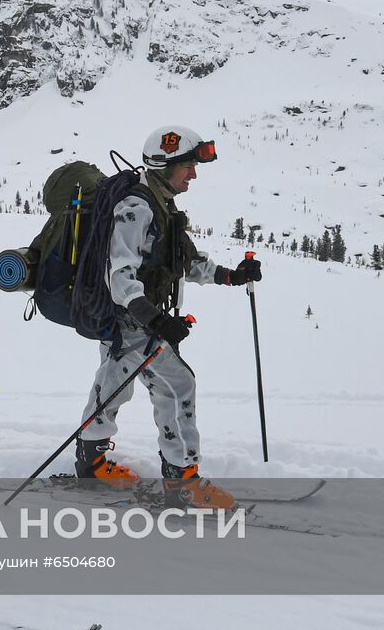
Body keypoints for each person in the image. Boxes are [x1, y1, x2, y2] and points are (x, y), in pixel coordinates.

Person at [73, 126, 262, 509]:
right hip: (131, 322)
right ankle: (183, 482)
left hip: (131, 323)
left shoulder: (161, 206)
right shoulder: (136, 208)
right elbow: (120, 277)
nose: (193, 173)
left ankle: (90, 461)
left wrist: (230, 276)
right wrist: (155, 320)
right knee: (177, 386)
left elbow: (183, 262)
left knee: (114, 384)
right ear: (164, 165)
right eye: (188, 165)